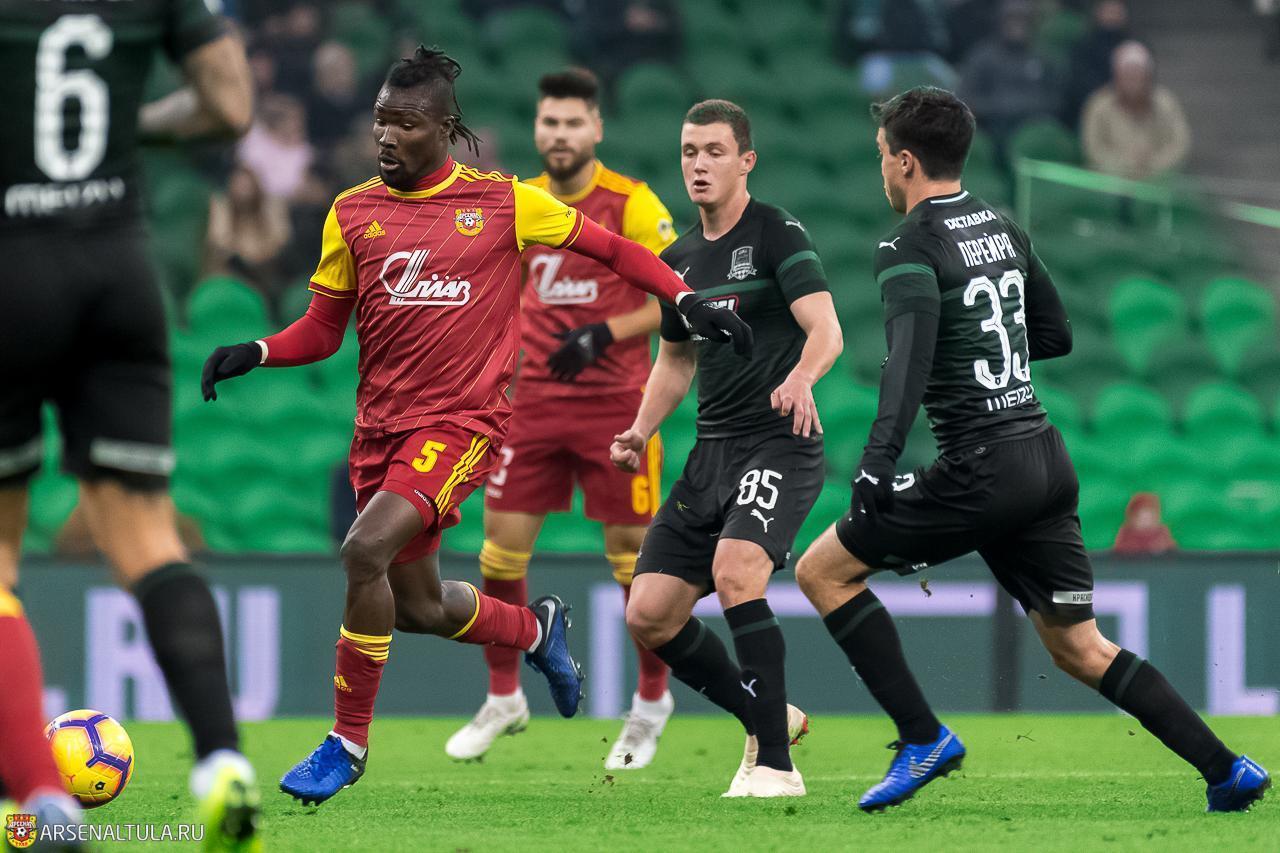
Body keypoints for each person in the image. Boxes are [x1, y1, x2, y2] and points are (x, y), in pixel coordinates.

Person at [200, 46, 752, 808]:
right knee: (418, 606)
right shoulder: (351, 211)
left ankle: (346, 743)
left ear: (444, 129)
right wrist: (257, 350)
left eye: (405, 123)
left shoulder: (503, 202)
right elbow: (324, 330)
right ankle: (535, 630)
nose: (386, 136)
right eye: (380, 121)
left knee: (362, 549)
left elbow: (616, 250)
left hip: (462, 425)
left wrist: (684, 299)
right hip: (380, 432)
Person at [792, 86, 1269, 814]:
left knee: (821, 571)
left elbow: (907, 364)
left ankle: (922, 737)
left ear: (907, 161)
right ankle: (1226, 769)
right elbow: (1057, 334)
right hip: (1043, 458)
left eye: (883, 155)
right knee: (1080, 647)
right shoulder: (1002, 226)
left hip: (981, 467)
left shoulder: (908, 244)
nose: (881, 168)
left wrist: (875, 463)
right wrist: (990, 361)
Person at [0, 0, 260, 847]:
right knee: (150, 541)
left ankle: (43, 800)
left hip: (11, 268)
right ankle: (223, 764)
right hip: (118, 271)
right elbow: (229, 104)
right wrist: (130, 124)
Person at [448, 68, 677, 769]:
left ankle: (650, 702)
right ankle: (503, 696)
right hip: (532, 406)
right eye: (550, 121)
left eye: (574, 122)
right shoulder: (517, 202)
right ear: (537, 127)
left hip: (619, 409)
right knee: (498, 555)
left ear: (596, 129)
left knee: (634, 565)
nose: (560, 134)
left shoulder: (632, 203)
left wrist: (606, 332)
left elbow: (674, 296)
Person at [615, 100, 844, 798]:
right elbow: (675, 361)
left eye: (714, 151)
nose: (699, 164)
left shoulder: (776, 231)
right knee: (648, 612)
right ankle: (770, 714)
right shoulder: (677, 261)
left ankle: (775, 764)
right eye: (690, 151)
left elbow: (826, 328)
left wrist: (800, 378)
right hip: (711, 453)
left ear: (746, 160)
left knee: (738, 571)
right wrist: (641, 429)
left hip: (779, 442)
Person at [957, 0, 1059, 151]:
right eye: (1012, 18)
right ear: (1000, 21)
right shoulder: (982, 57)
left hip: (1034, 131)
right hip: (993, 130)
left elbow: (1056, 99)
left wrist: (1027, 105)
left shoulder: (1043, 57)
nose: (1017, 25)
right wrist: (1001, 106)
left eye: (1023, 19)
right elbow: (966, 100)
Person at [1081, 41, 1190, 181]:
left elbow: (1179, 144)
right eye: (1127, 75)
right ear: (1116, 77)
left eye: (1137, 75)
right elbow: (1093, 149)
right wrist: (1126, 167)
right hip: (1110, 183)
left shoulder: (1166, 103)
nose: (1132, 83)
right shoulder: (1098, 105)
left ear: (1148, 77)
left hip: (1158, 181)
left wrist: (1152, 167)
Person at [203, 164, 292, 294]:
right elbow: (218, 240)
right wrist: (241, 257)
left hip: (266, 272)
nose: (244, 191)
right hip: (233, 272)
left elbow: (281, 238)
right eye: (239, 186)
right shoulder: (223, 207)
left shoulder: (270, 207)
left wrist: (258, 257)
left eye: (247, 186)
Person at [1060, 0, 1131, 129]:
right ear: (1098, 13)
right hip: (1092, 105)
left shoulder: (1132, 45)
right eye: (1109, 10)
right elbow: (1080, 80)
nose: (1113, 16)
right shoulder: (1084, 46)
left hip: (1128, 104)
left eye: (1116, 11)